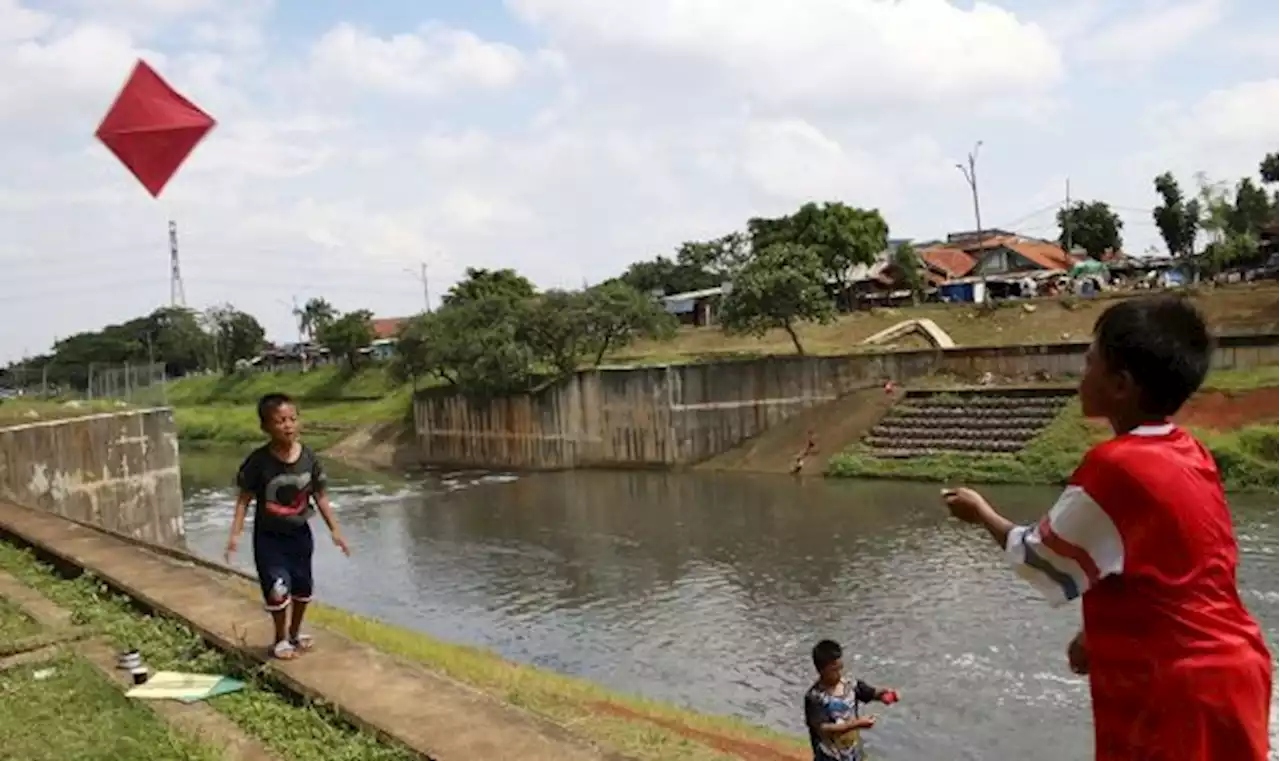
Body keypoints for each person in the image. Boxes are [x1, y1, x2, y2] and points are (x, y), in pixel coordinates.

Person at [941, 295, 1272, 761]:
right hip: (1229, 671)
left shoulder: (1117, 467)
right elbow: (1178, 575)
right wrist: (1099, 636)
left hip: (1177, 691)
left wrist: (981, 514)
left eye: (1089, 363)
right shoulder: (1188, 451)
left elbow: (1042, 562)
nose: (1081, 375)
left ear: (1120, 385)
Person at [225, 392, 351, 660]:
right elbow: (244, 500)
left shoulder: (308, 457)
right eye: (280, 421)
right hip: (269, 538)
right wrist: (235, 535)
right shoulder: (258, 462)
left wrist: (336, 531)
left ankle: (295, 633)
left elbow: (320, 496)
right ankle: (280, 638)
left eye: (293, 419)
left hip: (299, 535)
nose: (288, 425)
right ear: (266, 427)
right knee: (278, 588)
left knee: (303, 588)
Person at [804, 639, 897, 761]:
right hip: (829, 757)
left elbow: (871, 693)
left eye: (840, 668)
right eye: (834, 670)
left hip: (854, 754)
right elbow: (824, 729)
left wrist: (886, 694)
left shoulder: (851, 685)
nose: (839, 673)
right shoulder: (815, 697)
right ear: (821, 670)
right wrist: (856, 724)